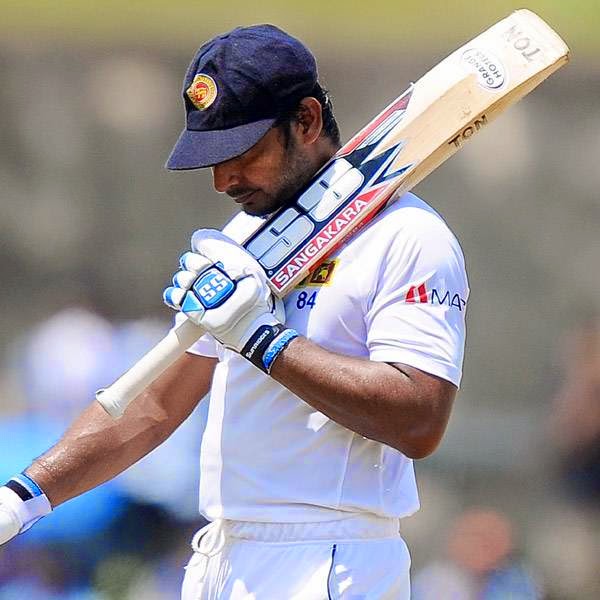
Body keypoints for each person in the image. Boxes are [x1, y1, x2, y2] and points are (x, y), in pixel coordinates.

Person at [0, 24, 469, 599]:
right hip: (222, 554)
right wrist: (23, 498)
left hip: (329, 559)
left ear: (306, 121)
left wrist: (260, 338)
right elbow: (152, 402)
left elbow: (419, 419)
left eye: (242, 154)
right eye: (213, 159)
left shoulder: (408, 237)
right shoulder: (248, 235)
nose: (224, 180)